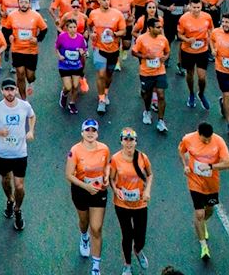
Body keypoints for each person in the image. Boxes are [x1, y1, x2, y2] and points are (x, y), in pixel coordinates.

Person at [0, 79, 36, 232]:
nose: (9, 92)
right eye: (6, 89)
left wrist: (31, 131)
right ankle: (10, 200)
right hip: (3, 153)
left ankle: (17, 210)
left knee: (20, 185)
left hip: (20, 153)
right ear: (2, 91)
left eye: (12, 89)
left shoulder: (24, 106)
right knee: (6, 180)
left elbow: (32, 116)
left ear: (16, 90)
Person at [178, 121, 229, 261]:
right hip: (195, 181)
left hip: (211, 183)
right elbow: (181, 151)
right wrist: (185, 165)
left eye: (209, 138)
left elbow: (228, 163)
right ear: (198, 133)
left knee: (209, 210)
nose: (207, 141)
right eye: (204, 139)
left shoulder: (219, 141)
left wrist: (210, 166)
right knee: (199, 213)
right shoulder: (188, 139)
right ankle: (203, 247)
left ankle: (202, 224)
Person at [65, 119, 111, 274]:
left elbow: (107, 166)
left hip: (99, 191)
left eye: (93, 130)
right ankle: (84, 238)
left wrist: (106, 176)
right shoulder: (75, 150)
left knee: (96, 228)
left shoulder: (104, 149)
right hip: (81, 190)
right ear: (82, 133)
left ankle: (96, 266)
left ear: (97, 133)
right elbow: (69, 175)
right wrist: (86, 186)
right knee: (84, 222)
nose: (90, 133)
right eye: (87, 130)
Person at [109, 128, 152, 275]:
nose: (128, 143)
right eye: (125, 140)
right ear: (121, 141)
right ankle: (127, 264)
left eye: (131, 140)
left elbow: (150, 175)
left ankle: (138, 250)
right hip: (122, 205)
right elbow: (111, 179)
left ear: (136, 141)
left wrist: (147, 191)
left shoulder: (142, 158)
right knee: (127, 235)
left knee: (140, 237)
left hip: (140, 203)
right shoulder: (115, 159)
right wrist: (116, 190)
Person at [130, 14, 171, 133]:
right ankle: (147, 111)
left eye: (161, 27)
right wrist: (144, 56)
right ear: (150, 28)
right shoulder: (142, 39)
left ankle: (161, 120)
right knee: (147, 94)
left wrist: (165, 57)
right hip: (146, 72)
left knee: (161, 94)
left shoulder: (163, 39)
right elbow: (133, 52)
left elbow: (168, 52)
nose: (160, 29)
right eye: (157, 27)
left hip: (160, 71)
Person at [177, 0, 214, 111]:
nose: (196, 10)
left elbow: (211, 30)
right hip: (188, 51)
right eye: (194, 7)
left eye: (198, 7)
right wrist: (187, 40)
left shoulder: (207, 17)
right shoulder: (183, 19)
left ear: (201, 6)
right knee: (190, 74)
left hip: (202, 50)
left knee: (202, 77)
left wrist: (209, 39)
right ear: (189, 7)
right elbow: (179, 35)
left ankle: (201, 94)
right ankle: (191, 93)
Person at [56, 14, 89, 114]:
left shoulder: (80, 38)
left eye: (74, 27)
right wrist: (59, 56)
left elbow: (84, 50)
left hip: (76, 65)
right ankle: (64, 94)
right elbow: (57, 47)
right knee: (68, 87)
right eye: (70, 27)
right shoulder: (62, 37)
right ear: (66, 28)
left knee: (75, 86)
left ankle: (72, 103)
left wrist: (82, 52)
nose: (73, 29)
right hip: (64, 65)